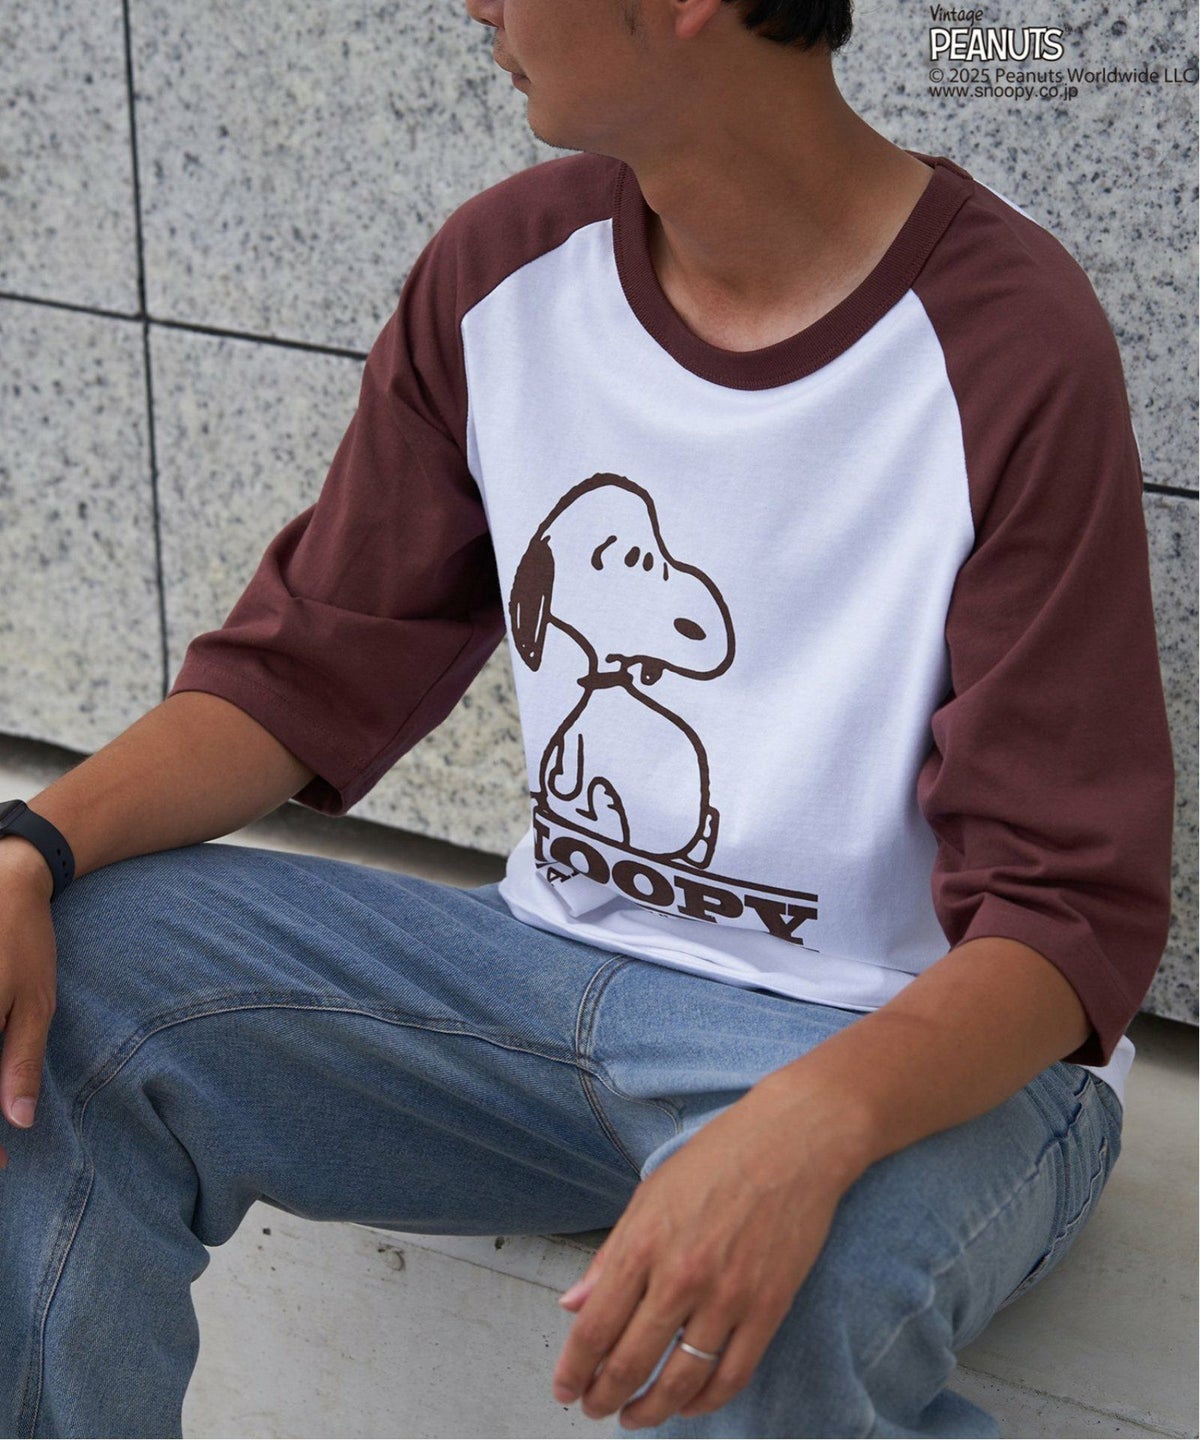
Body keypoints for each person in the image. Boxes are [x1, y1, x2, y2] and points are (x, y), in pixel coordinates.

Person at [0, 0, 1175, 1434]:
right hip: (550, 985)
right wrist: (31, 848)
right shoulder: (505, 274)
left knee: (799, 1286)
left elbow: (1066, 917)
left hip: (911, 1056)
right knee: (59, 984)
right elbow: (301, 669)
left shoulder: (1004, 340)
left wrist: (800, 1133)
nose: (475, 5)